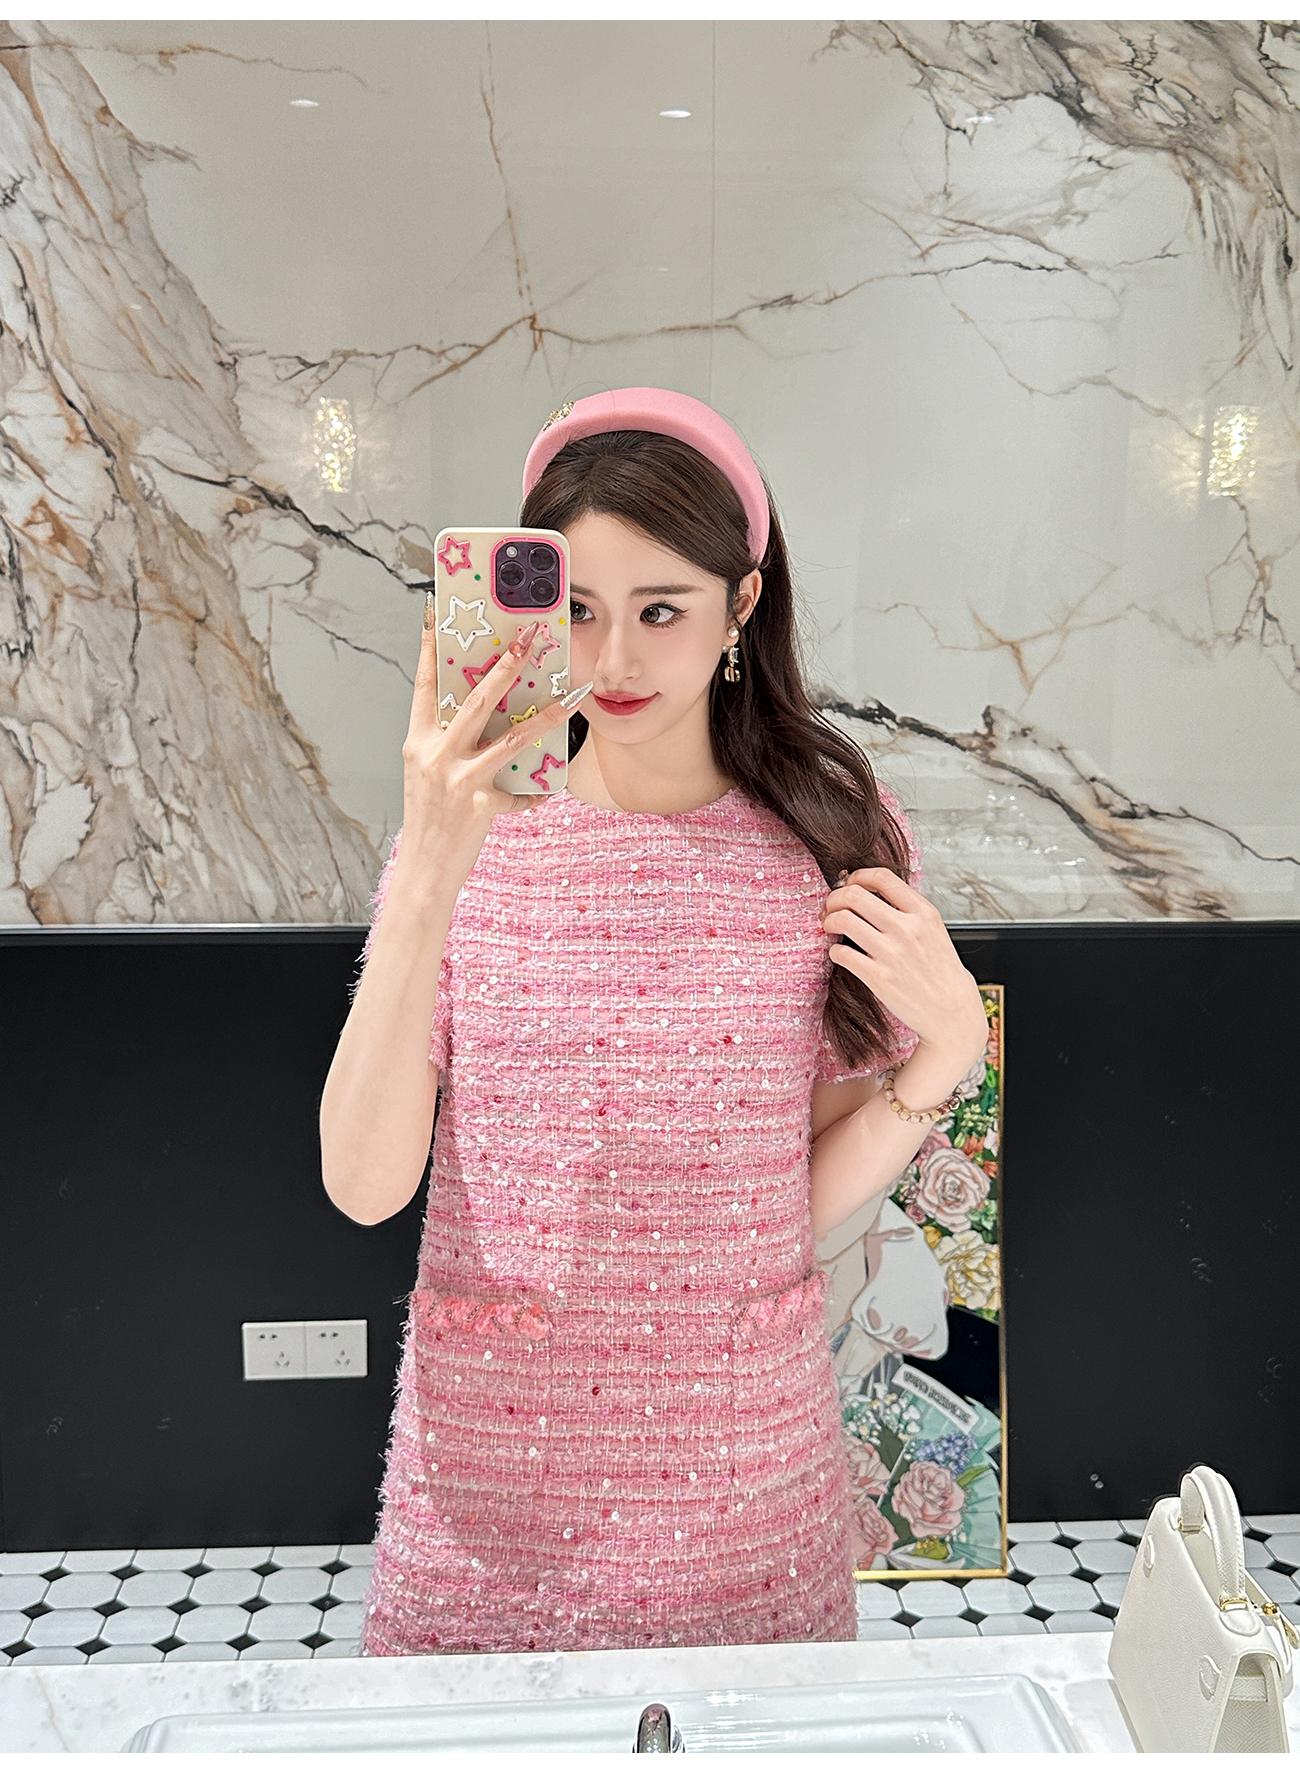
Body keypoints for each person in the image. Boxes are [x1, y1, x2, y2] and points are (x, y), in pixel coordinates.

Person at [319, 387, 988, 1656]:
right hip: (489, 1492)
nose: (613, 661)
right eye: (575, 610)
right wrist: (429, 869)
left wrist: (949, 1055)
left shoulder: (830, 842)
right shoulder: (465, 845)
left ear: (741, 606)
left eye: (660, 610)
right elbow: (362, 1186)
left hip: (743, 1483)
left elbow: (789, 1196)